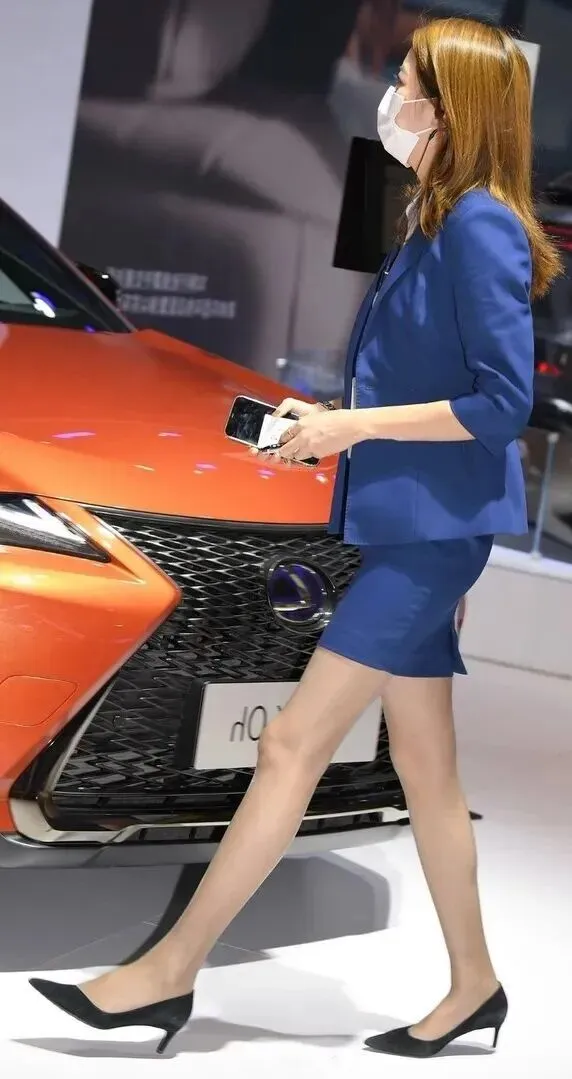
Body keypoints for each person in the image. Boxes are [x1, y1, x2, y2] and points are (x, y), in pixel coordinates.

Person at [31, 16, 562, 1059]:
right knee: (428, 773)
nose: (389, 93)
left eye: (406, 80)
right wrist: (322, 423)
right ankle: (474, 986)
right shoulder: (437, 217)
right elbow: (413, 378)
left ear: (451, 107)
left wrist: (352, 428)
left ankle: (167, 975)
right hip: (408, 524)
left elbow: (501, 406)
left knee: (288, 745)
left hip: (429, 541)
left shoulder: (479, 227)